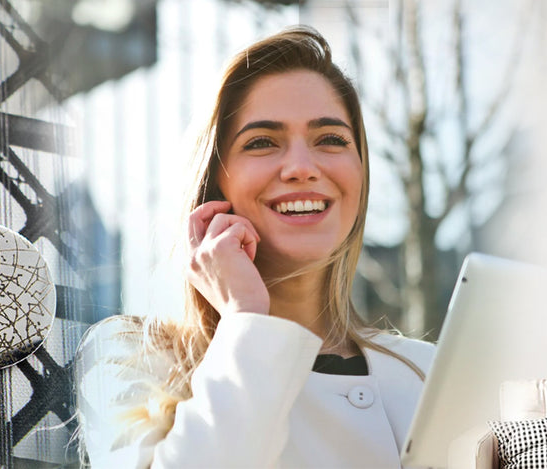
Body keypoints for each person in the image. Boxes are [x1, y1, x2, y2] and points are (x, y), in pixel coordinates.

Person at [75, 27, 435, 467]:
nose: (302, 168)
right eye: (262, 142)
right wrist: (245, 318)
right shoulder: (134, 361)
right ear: (213, 183)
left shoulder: (427, 372)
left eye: (331, 139)